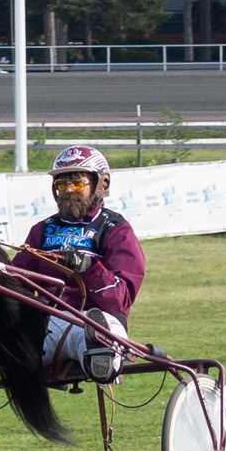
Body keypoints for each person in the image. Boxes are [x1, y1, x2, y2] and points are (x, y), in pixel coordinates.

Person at [16, 144, 145, 383]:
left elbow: (121, 299)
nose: (67, 191)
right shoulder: (41, 231)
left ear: (101, 185)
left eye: (76, 184)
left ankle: (102, 355)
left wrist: (89, 268)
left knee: (96, 330)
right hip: (44, 324)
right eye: (61, 185)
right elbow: (16, 282)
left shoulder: (115, 230)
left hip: (95, 318)